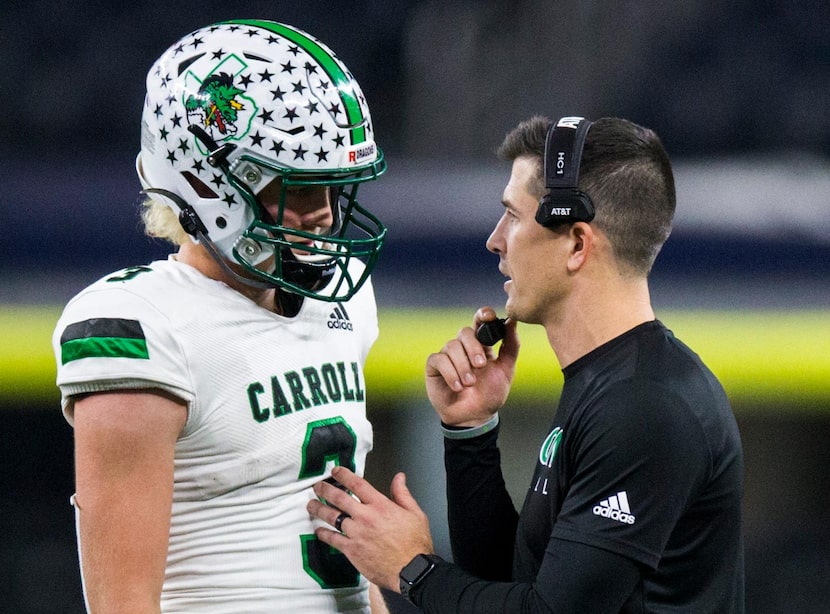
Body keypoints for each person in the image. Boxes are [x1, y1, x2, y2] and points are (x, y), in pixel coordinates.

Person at [307, 116, 745, 612]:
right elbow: (512, 583)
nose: (495, 240)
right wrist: (469, 431)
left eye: (513, 216)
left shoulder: (645, 406)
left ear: (577, 244)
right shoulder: (616, 384)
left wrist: (411, 569)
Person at [52, 19, 391, 613]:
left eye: (333, 188)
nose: (323, 216)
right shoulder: (143, 323)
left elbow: (348, 566)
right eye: (295, 188)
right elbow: (122, 604)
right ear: (206, 187)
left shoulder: (343, 298)